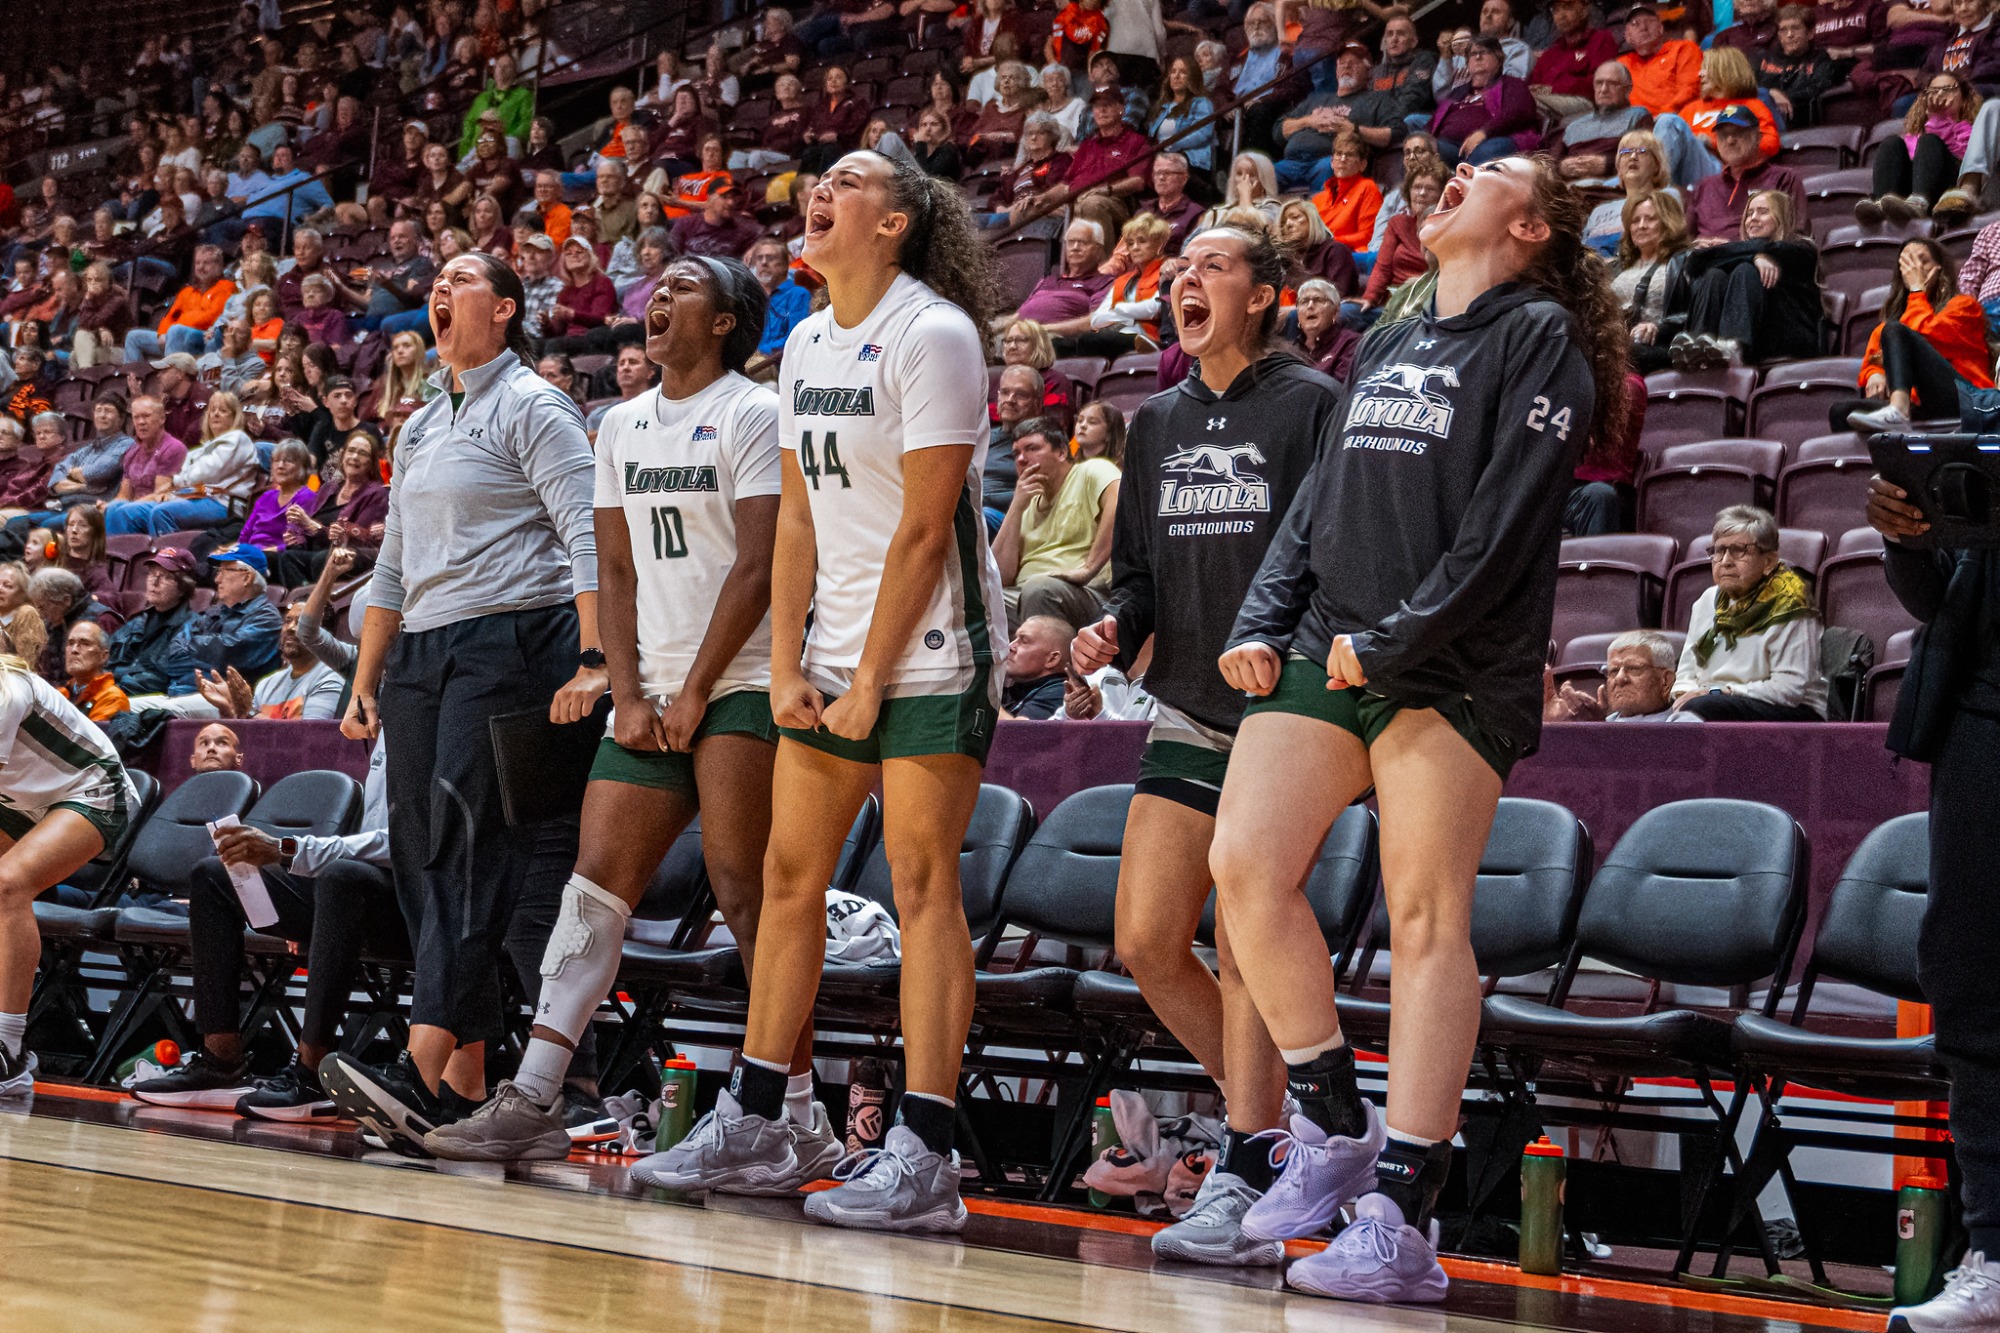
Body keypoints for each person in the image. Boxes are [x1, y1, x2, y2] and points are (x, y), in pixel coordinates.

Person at [1210, 155, 1626, 1303]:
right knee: (1242, 866)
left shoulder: (1538, 337)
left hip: (1450, 663)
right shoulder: (1391, 328)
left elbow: (1502, 527)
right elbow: (1319, 495)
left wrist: (1395, 639)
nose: (1450, 178)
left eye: (1485, 173)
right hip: (1332, 640)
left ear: (1529, 225)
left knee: (1426, 917)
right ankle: (1333, 1118)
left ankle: (1399, 1214)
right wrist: (1262, 614)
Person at [636, 150, 1003, 1232]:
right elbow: (793, 516)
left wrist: (873, 676)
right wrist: (792, 660)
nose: (819, 193)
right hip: (831, 654)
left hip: (932, 651)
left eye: (845, 180)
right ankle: (760, 1116)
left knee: (923, 884)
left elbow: (927, 525)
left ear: (893, 224)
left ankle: (926, 1152)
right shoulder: (801, 340)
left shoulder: (932, 333)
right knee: (786, 879)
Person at [421, 254, 827, 1163]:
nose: (657, 299)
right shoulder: (617, 424)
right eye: (658, 287)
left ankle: (794, 1115)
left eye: (683, 286)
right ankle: (536, 1094)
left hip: (746, 683)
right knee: (591, 888)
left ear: (726, 319)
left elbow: (759, 566)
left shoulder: (754, 414)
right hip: (652, 691)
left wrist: (692, 688)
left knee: (746, 896)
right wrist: (631, 687)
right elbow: (612, 569)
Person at [1063, 222, 1336, 1269]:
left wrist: (1288, 647)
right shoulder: (1158, 418)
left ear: (1265, 296)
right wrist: (1112, 627)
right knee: (1143, 936)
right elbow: (1135, 572)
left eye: (1213, 266)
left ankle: (1249, 1159)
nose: (1186, 280)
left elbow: (1329, 549)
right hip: (1181, 701)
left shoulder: (1311, 404)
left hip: (1279, 712)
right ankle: (1276, 1130)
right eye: (1180, 270)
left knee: (1242, 944)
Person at [318, 251, 603, 1156]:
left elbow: (587, 534)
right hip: (424, 648)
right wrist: (365, 676)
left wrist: (594, 656)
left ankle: (420, 1061)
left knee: (472, 847)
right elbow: (394, 562)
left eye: (465, 277)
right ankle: (463, 1084)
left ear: (507, 309)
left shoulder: (535, 405)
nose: (441, 288)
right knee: (418, 851)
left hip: (515, 635)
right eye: (436, 278)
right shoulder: (414, 428)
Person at [1867, 454, 2000, 1333]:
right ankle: (1993, 1252)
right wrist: (1904, 533)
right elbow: (1937, 595)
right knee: (1972, 980)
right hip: (1984, 710)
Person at [132, 699, 401, 1119]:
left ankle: (314, 1075)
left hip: (416, 906)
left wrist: (288, 849)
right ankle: (221, 1062)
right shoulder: (385, 729)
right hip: (359, 892)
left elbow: (403, 845)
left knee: (341, 877)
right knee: (212, 876)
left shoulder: (434, 730)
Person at [0, 631, 135, 1097]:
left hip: (91, 789)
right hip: (21, 801)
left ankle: (9, 1052)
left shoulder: (7, 686)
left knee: (7, 886)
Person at [1671, 505, 1827, 720]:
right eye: (1719, 551)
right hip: (1714, 703)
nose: (1725, 561)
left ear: (1768, 562)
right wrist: (1683, 695)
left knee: (1701, 710)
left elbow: (1788, 690)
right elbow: (1687, 672)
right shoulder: (1707, 600)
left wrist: (1719, 692)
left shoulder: (1792, 605)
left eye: (1738, 550)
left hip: (1791, 714)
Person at [1840, 237, 1993, 431]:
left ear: (1940, 269)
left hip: (1967, 400)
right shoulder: (1891, 327)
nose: (1915, 268)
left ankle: (1898, 410)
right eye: (1907, 262)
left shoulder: (1964, 306)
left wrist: (1917, 290)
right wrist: (1875, 374)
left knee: (1895, 330)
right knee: (1842, 412)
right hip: (1922, 405)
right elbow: (1876, 358)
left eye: (1922, 260)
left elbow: (1927, 335)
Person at [1665, 189, 1823, 369]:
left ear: (1783, 218)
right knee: (1714, 275)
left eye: (1763, 212)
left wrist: (1746, 256)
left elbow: (1772, 249)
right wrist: (1754, 257)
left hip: (1785, 339)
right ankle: (1697, 347)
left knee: (1744, 270)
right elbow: (1696, 262)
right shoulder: (1745, 251)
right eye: (1749, 214)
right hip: (1752, 340)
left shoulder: (1801, 250)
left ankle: (1734, 347)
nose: (1753, 218)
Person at [995, 416, 1120, 633]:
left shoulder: (1090, 471)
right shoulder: (1027, 502)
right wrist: (1016, 506)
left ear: (1062, 452)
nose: (1022, 459)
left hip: (1081, 592)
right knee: (976, 598)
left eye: (1032, 448)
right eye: (1016, 453)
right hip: (1024, 596)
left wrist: (1088, 569)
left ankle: (1051, 666)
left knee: (1039, 589)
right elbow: (1000, 576)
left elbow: (1121, 504)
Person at [129, 545, 284, 713]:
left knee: (159, 713)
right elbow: (173, 653)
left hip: (231, 703)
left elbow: (227, 656)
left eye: (225, 571)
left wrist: (196, 651)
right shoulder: (214, 613)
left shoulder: (266, 618)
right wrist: (208, 654)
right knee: (121, 707)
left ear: (247, 578)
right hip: (180, 693)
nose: (217, 579)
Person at [105, 391, 261, 537]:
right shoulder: (200, 450)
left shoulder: (238, 439)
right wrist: (174, 489)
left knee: (161, 513)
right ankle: (120, 560)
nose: (216, 414)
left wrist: (175, 482)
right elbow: (190, 479)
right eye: (212, 410)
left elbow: (206, 472)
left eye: (223, 411)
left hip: (223, 503)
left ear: (234, 417)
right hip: (193, 496)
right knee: (123, 512)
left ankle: (169, 561)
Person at [1273, 43, 1408, 194]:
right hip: (1291, 163)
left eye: (1353, 63)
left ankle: (1322, 215)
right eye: (1342, 63)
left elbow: (1397, 132)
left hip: (1331, 162)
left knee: (1330, 167)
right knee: (1260, 172)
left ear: (1368, 71)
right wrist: (1309, 121)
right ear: (1336, 70)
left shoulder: (1377, 100)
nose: (1346, 67)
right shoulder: (1316, 100)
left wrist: (1353, 129)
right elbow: (1278, 130)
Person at [192, 601, 346, 720]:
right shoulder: (267, 684)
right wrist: (230, 708)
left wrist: (248, 711)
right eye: (288, 620)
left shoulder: (331, 679)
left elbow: (309, 740)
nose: (290, 628)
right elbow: (250, 736)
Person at [1862, 72, 1980, 224]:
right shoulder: (1916, 135)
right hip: (1907, 196)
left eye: (1948, 89)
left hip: (1946, 191)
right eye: (1934, 91)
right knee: (1891, 143)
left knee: (1930, 141)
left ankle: (1919, 202)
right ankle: (1881, 205)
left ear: (1963, 98)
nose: (1940, 95)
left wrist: (1939, 119)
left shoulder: (1972, 130)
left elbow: (1964, 159)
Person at [272, 432, 389, 585]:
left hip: (340, 554)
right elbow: (308, 522)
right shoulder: (329, 487)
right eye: (351, 450)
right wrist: (297, 536)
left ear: (372, 462)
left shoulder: (376, 493)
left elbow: (364, 540)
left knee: (294, 559)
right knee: (269, 559)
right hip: (312, 550)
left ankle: (305, 603)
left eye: (363, 453)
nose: (354, 457)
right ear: (343, 455)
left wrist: (317, 529)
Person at [1684, 105, 1808, 241]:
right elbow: (1684, 240)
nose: (1730, 140)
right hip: (1705, 259)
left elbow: (1797, 236)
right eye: (1723, 135)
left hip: (1755, 258)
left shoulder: (1784, 178)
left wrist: (1734, 249)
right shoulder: (1704, 186)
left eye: (1738, 133)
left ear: (1758, 137)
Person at [1618, 191, 1696, 374]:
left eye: (1650, 219)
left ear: (1668, 223)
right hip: (1619, 343)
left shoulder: (1685, 261)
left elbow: (1699, 313)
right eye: (1635, 220)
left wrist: (1660, 327)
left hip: (1662, 344)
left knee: (1626, 354)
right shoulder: (1617, 267)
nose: (1641, 226)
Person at [105, 548, 199, 698]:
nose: (155, 582)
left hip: (146, 702)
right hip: (113, 692)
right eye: (152, 574)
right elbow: (106, 657)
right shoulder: (138, 621)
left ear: (183, 587)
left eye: (166, 577)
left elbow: (159, 680)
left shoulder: (191, 629)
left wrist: (112, 688)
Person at [1430, 36, 1538, 166]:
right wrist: (1421, 139)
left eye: (1484, 52)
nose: (1478, 57)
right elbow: (1435, 120)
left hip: (1493, 140)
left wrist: (1483, 132)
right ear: (1467, 63)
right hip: (1451, 147)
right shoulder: (1459, 91)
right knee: (1421, 145)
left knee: (1489, 150)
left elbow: (1518, 112)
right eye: (1473, 54)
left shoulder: (1512, 84)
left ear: (1499, 58)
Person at [124, 243, 236, 361]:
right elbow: (170, 316)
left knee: (175, 330)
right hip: (174, 335)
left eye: (206, 263)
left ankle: (170, 374)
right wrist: (162, 333)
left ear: (219, 266)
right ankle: (135, 378)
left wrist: (179, 324)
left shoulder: (226, 287)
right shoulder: (187, 291)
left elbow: (212, 316)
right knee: (133, 337)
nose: (200, 267)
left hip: (205, 338)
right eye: (198, 263)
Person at [1546, 629, 1679, 721]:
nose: (1620, 679)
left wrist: (1597, 732)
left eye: (1633, 668)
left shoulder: (1686, 725)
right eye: (1614, 671)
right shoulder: (1604, 721)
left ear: (1665, 680)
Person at [1013, 219, 1115, 337]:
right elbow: (1018, 315)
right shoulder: (1047, 280)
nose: (1075, 247)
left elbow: (1095, 320)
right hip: (1020, 335)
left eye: (1082, 242)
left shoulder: (1105, 283)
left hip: (1055, 339)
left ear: (1098, 250)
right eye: (1071, 242)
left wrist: (1042, 330)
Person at [1559, 63, 1652, 185]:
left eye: (1613, 84)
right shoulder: (1573, 125)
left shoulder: (1638, 116)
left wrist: (1607, 164)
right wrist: (1562, 167)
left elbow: (1645, 155)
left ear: (1628, 89)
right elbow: (1551, 162)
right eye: (1599, 83)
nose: (1603, 89)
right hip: (1570, 188)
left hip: (1614, 185)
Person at [1531, 0, 1620, 119]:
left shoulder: (1600, 39)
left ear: (1584, 10)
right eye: (1555, 9)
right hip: (1548, 104)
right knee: (1520, 100)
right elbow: (1533, 85)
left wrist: (1551, 89)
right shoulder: (1550, 54)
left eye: (1568, 6)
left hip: (1586, 104)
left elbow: (1600, 83)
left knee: (1528, 103)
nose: (1561, 15)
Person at [1758, 6, 1841, 129]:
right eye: (1783, 30)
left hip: (1799, 123)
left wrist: (1784, 96)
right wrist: (1771, 93)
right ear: (1779, 36)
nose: (1789, 35)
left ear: (1810, 33)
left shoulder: (1820, 58)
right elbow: (1748, 87)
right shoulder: (1765, 58)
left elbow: (1817, 89)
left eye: (1795, 28)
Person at [1620, 2, 1704, 116]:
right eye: (1635, 24)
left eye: (1649, 21)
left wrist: (1661, 117)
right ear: (1627, 36)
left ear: (1660, 27)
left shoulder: (1683, 49)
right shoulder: (1622, 64)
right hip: (1634, 126)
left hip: (1673, 120)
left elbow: (1690, 90)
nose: (1643, 28)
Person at [1310, 135, 1384, 253]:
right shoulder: (1317, 199)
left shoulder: (1367, 187)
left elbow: (1368, 235)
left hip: (1351, 254)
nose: (1343, 159)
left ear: (1363, 165)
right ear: (1332, 162)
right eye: (1339, 154)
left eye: (1349, 155)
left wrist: (1333, 241)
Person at [1000, 615, 1074, 719]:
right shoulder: (1018, 688)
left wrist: (978, 696)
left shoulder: (1060, 693)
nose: (1011, 646)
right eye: (1015, 639)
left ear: (1052, 659)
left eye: (1024, 641)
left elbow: (1019, 733)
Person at [60, 620, 130, 722]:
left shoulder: (113, 698)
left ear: (103, 656)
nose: (74, 650)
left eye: (85, 643)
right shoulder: (59, 694)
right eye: (70, 643)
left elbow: (86, 737)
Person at [1293, 278, 1361, 379]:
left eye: (1318, 300)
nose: (1310, 306)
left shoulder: (1351, 343)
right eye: (1304, 301)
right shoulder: (1292, 348)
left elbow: (1338, 387)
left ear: (1335, 311)